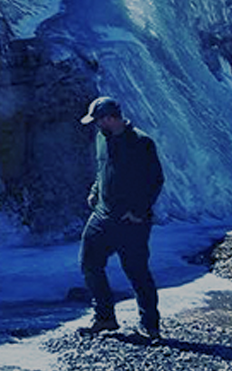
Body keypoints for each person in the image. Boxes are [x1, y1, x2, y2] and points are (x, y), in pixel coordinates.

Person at [76, 96, 165, 340]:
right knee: (89, 263)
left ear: (110, 118)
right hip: (102, 215)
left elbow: (155, 181)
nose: (96, 126)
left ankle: (150, 325)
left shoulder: (141, 142)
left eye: (98, 120)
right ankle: (105, 318)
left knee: (136, 271)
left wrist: (137, 211)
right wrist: (95, 191)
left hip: (131, 221)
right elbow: (101, 169)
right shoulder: (101, 138)